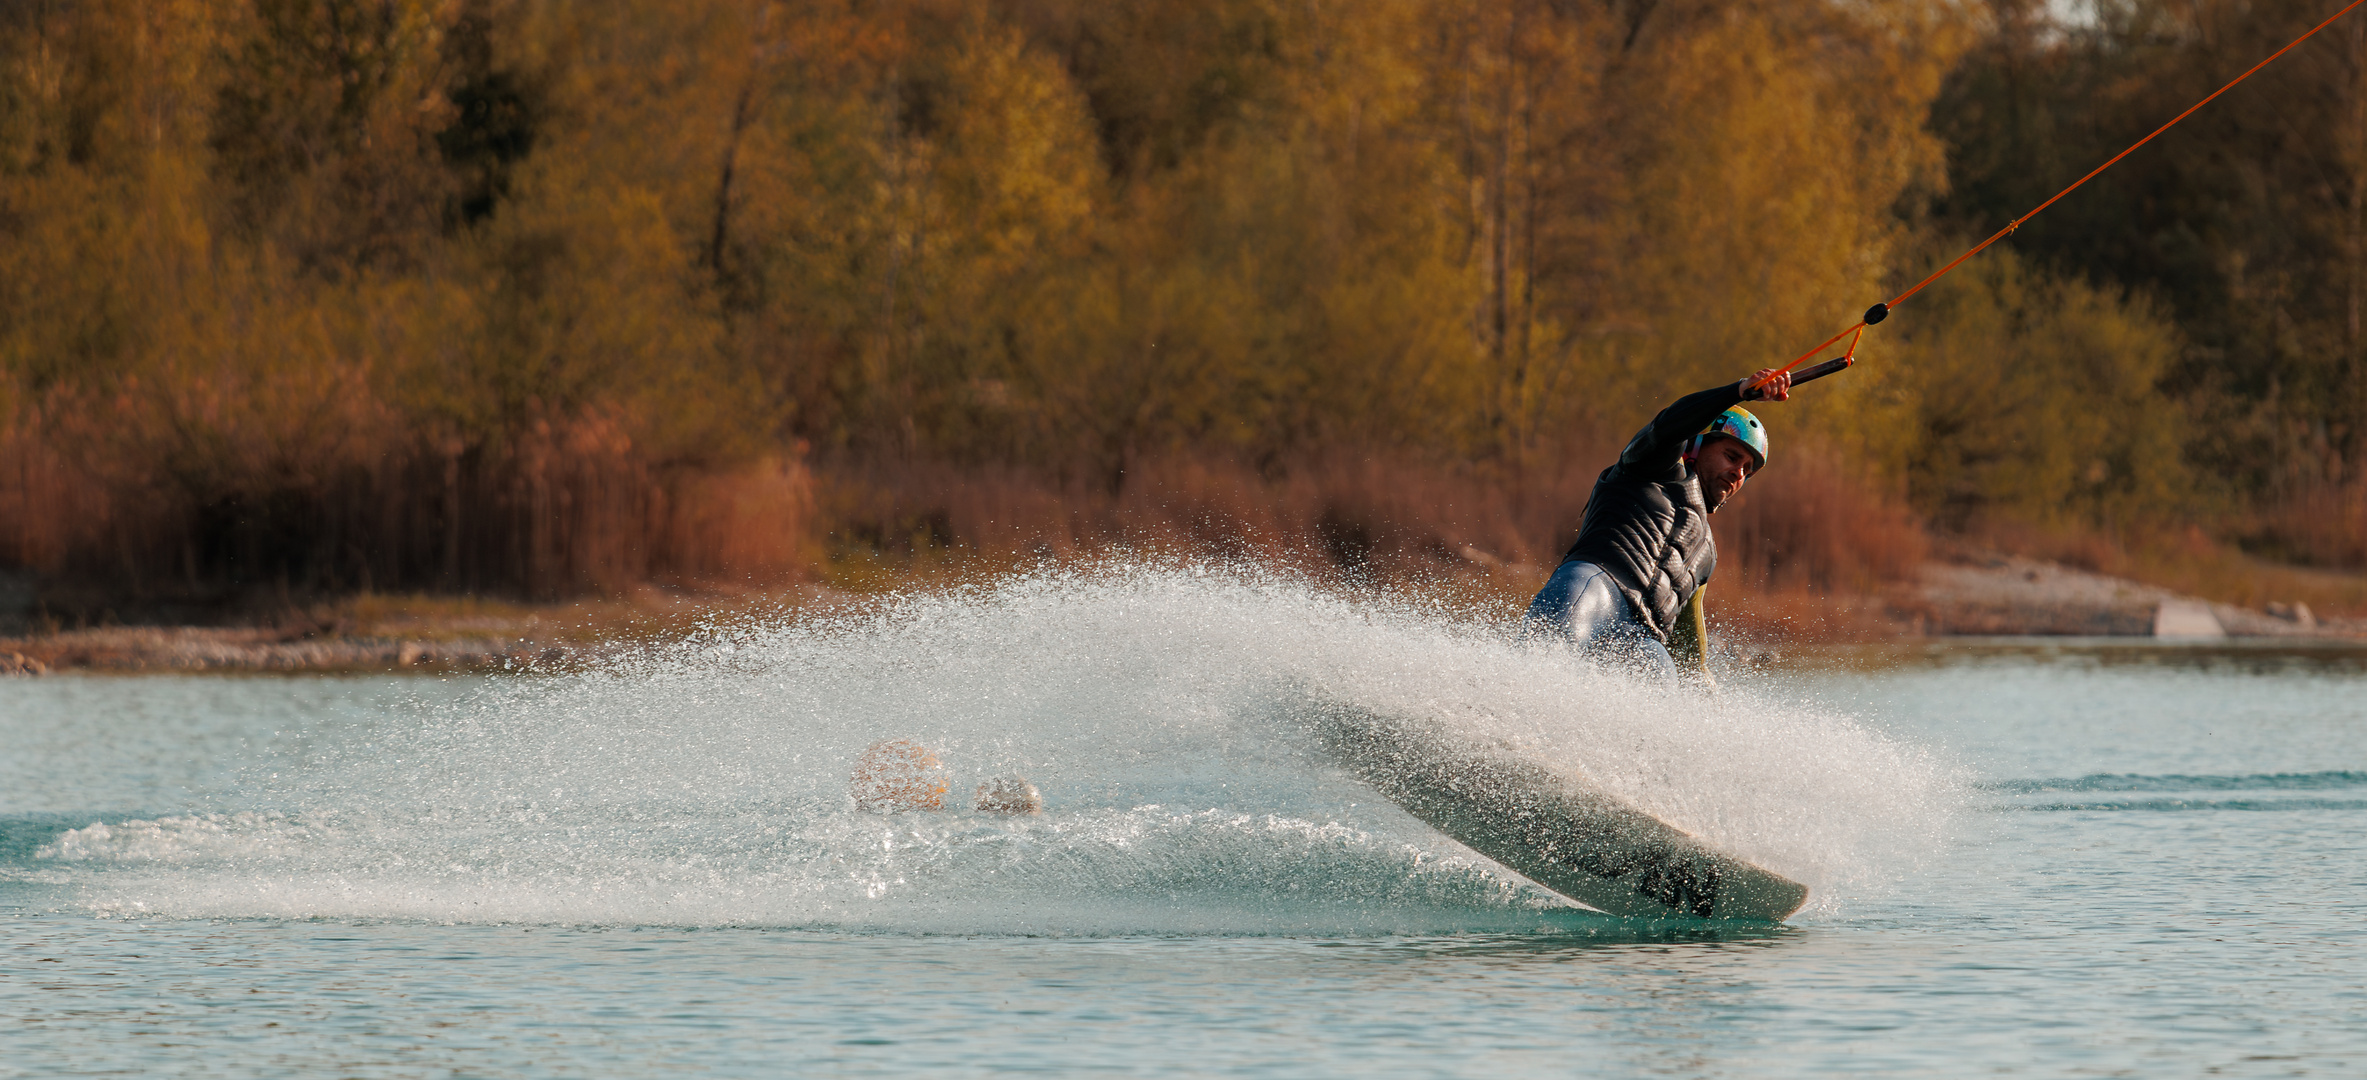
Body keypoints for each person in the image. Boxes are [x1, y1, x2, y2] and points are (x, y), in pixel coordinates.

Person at [1525, 367, 1793, 678]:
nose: (1739, 474)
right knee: (1545, 662)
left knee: (1662, 671)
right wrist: (1737, 391)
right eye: (1732, 457)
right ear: (1695, 446)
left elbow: (1692, 654)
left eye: (1747, 469)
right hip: (1593, 590)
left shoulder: (1706, 554)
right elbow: (1668, 426)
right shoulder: (1651, 467)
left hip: (1642, 640)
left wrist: (1706, 701)